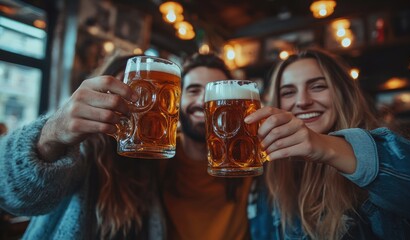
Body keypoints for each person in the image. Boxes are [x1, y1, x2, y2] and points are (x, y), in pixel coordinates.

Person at [0, 53, 276, 240]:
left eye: (214, 88)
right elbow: (12, 194)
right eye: (193, 90)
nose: (204, 101)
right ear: (175, 102)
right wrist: (52, 135)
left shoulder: (255, 167)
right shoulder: (111, 155)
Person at [245, 49, 410, 239]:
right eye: (288, 92)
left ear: (345, 93)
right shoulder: (270, 175)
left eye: (318, 86)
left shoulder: (391, 151)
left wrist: (328, 147)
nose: (302, 102)